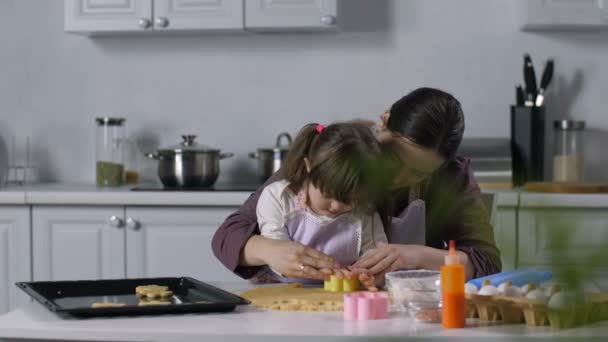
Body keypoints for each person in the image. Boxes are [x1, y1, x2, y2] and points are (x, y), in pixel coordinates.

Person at [212, 87, 501, 283]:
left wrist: (418, 256)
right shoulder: (342, 152)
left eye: (418, 172)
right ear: (384, 122)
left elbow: (487, 261)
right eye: (393, 157)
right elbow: (227, 236)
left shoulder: (450, 177)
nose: (398, 176)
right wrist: (268, 248)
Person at [255, 122, 388, 287]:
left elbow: (376, 255)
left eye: (349, 200)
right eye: (328, 195)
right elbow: (275, 252)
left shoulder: (364, 211)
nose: (336, 207)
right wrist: (322, 269)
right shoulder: (279, 198)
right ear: (309, 167)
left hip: (341, 296)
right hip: (281, 289)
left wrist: (366, 272)